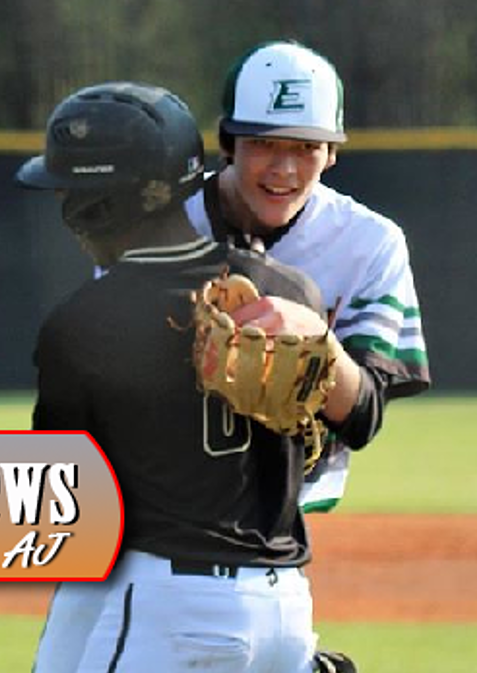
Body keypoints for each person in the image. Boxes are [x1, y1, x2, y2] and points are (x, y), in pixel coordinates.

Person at [17, 81, 332, 673]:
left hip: (172, 613)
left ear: (98, 206)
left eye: (72, 193)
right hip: (288, 622)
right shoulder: (287, 289)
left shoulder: (83, 323)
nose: (67, 210)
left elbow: (64, 505)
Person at [185, 40, 431, 512]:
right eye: (263, 143)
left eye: (306, 147)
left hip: (288, 518)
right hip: (164, 506)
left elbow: (363, 418)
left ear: (332, 153)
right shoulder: (166, 224)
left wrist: (318, 343)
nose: (284, 169)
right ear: (228, 142)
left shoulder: (370, 243)